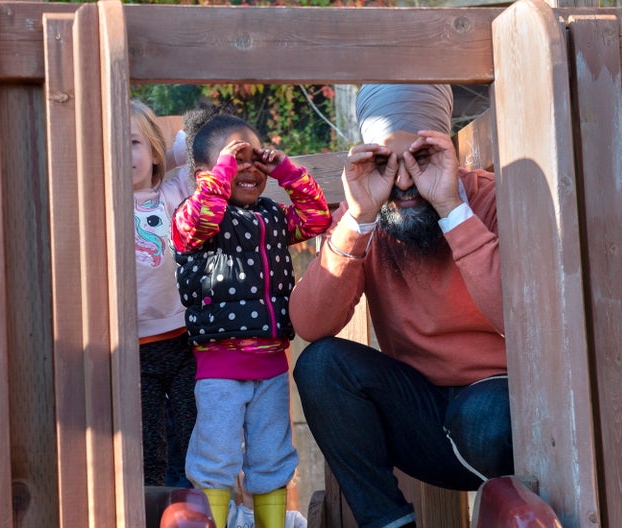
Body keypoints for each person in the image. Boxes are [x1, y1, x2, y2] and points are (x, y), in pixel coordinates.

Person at [290, 84, 514, 528]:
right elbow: (310, 324)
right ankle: (389, 524)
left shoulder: (488, 198)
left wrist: (451, 207)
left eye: (421, 157)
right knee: (321, 364)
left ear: (445, 151)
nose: (406, 182)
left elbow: (518, 315)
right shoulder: (365, 214)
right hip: (421, 421)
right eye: (385, 163)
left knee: (483, 417)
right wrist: (357, 220)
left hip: (500, 413)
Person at [170, 104, 332, 528]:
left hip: (272, 364)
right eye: (233, 159)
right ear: (203, 174)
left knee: (272, 454)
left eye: (255, 158)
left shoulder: (273, 217)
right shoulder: (196, 218)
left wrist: (287, 172)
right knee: (217, 455)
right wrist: (223, 171)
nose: (247, 168)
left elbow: (317, 216)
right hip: (220, 366)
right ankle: (213, 522)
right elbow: (202, 214)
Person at [131, 99, 198, 488]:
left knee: (192, 430)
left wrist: (165, 156)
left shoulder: (172, 194)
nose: (124, 154)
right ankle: (153, 507)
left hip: (183, 338)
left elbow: (196, 146)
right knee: (148, 439)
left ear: (155, 152)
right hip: (133, 347)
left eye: (134, 143)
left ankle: (192, 505)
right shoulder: (103, 202)